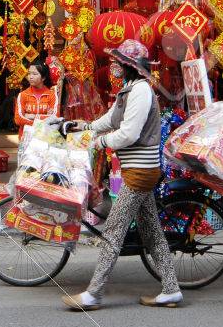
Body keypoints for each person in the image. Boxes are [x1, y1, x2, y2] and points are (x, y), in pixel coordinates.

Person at [61, 39, 182, 311]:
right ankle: (171, 289)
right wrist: (87, 126)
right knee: (152, 234)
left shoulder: (141, 91)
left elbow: (129, 133)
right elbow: (109, 120)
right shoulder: (129, 90)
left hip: (139, 172)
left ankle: (93, 293)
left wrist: (99, 142)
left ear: (130, 65)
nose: (113, 65)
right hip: (137, 171)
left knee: (113, 231)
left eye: (118, 61)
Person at [13, 63, 58, 138]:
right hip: (26, 138)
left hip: (45, 138)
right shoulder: (23, 95)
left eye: (34, 74)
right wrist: (45, 117)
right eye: (29, 73)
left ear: (43, 78)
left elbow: (55, 118)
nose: (30, 77)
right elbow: (18, 119)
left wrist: (32, 116)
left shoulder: (52, 95)